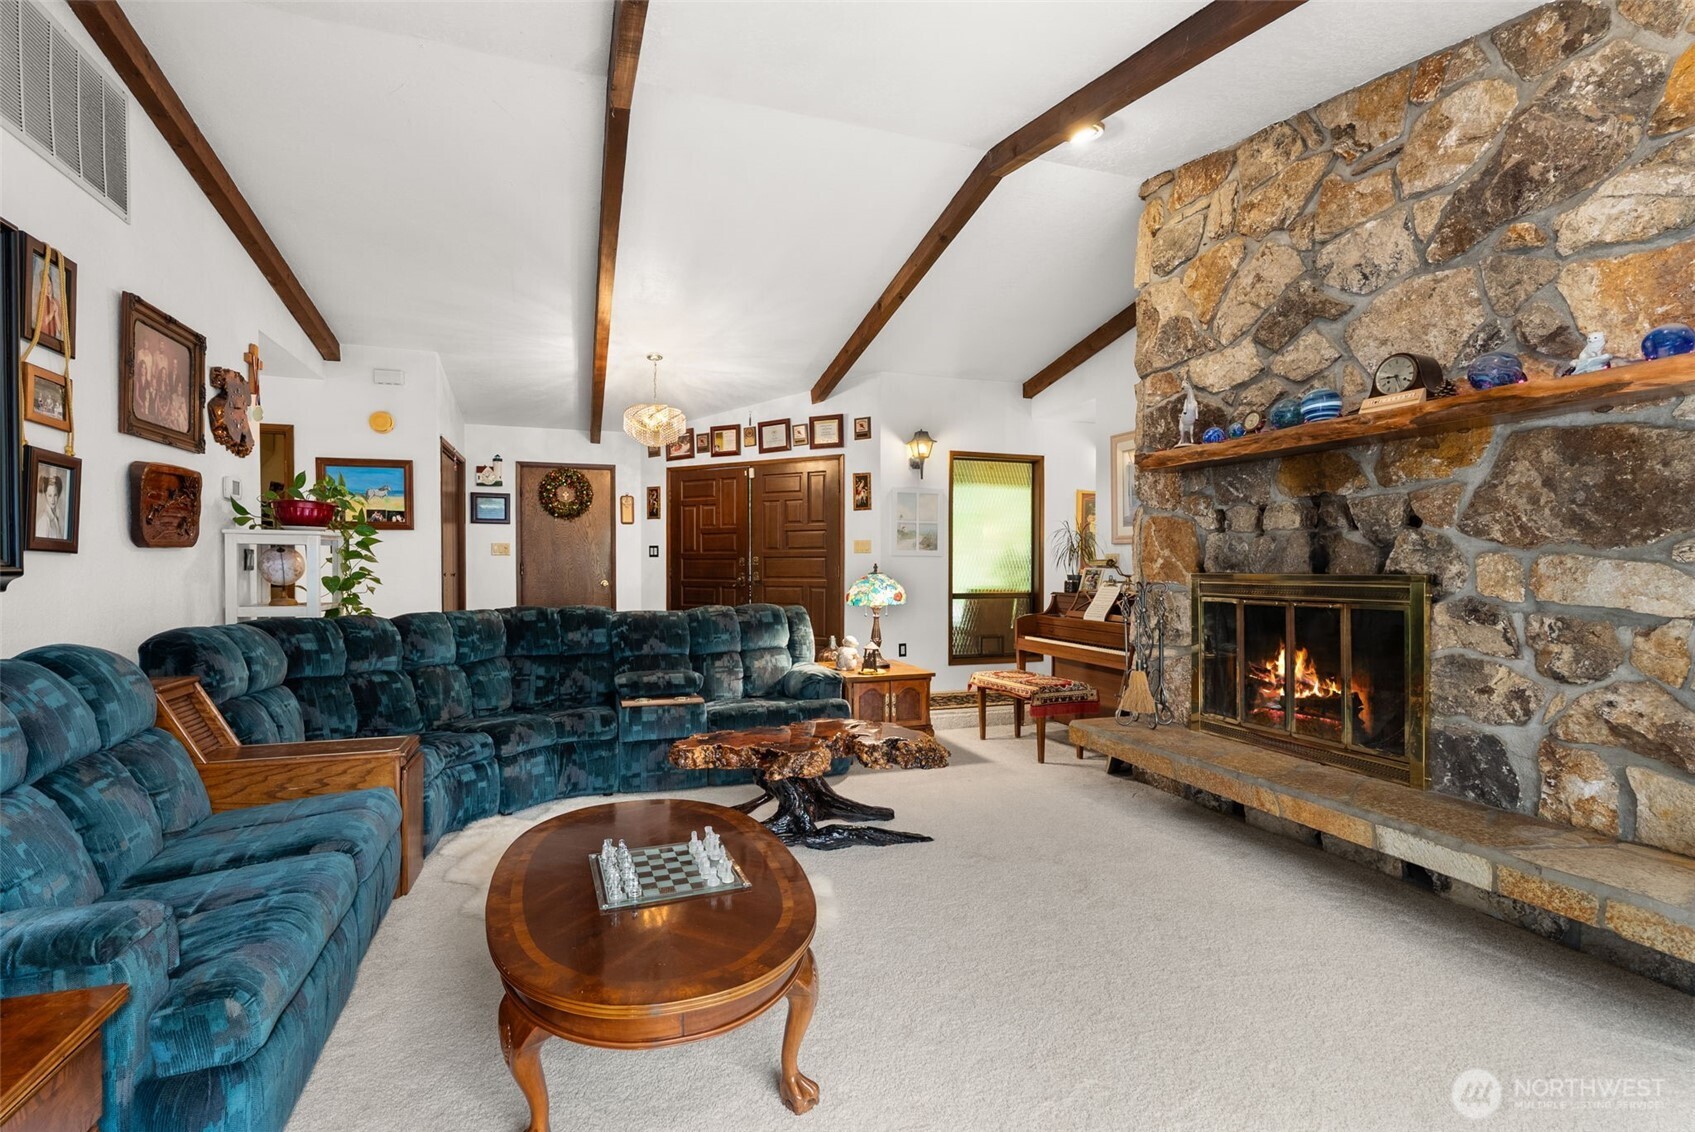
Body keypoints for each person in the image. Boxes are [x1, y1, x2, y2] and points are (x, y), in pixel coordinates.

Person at [36, 471, 66, 541]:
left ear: (58, 495)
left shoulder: (57, 517)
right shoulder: (45, 520)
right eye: (50, 495)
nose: (52, 500)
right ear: (45, 495)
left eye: (55, 495)